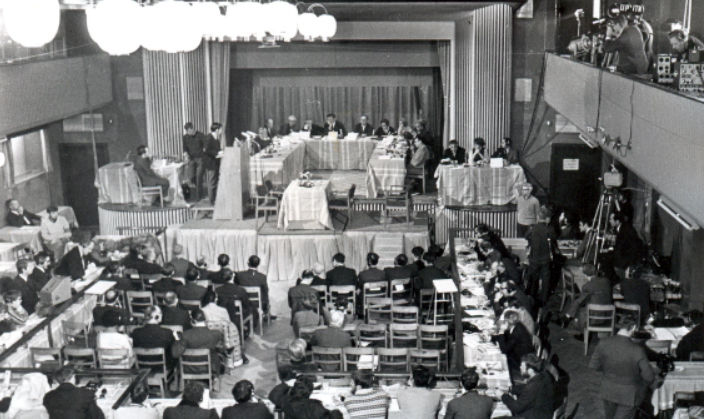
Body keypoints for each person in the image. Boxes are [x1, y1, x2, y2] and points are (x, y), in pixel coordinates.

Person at [588, 315, 655, 419]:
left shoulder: (603, 343)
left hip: (608, 391)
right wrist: (641, 384)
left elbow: (593, 365)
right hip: (629, 396)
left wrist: (608, 369)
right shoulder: (637, 350)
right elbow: (649, 377)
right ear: (633, 327)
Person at [498, 354, 554, 419]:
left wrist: (502, 395)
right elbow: (527, 388)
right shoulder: (543, 375)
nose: (520, 367)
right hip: (542, 413)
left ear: (530, 370)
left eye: (522, 366)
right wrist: (510, 388)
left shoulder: (533, 386)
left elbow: (516, 408)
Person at [562, 264, 613, 332]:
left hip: (594, 318)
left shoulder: (587, 286)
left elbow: (578, 302)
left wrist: (567, 315)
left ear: (585, 275)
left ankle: (583, 333)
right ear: (596, 272)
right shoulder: (607, 281)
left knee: (578, 314)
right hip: (608, 315)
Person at [172, 309, 224, 375]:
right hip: (210, 368)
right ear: (205, 320)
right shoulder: (216, 334)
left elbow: (175, 354)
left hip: (189, 368)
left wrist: (177, 339)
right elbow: (223, 348)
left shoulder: (185, 335)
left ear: (193, 321)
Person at [525, 208, 557, 304]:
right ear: (547, 218)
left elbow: (526, 236)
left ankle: (532, 298)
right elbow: (554, 238)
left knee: (533, 279)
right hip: (545, 259)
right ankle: (544, 300)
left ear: (538, 217)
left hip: (534, 258)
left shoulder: (532, 228)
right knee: (545, 280)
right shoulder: (549, 229)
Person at [131, 305, 178, 370]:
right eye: (161, 313)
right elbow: (174, 352)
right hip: (161, 368)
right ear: (157, 316)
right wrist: (176, 339)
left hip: (142, 367)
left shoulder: (135, 332)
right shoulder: (167, 332)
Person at [236, 255, 274, 321]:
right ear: (258, 264)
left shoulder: (239, 275)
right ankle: (266, 314)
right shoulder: (262, 277)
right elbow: (265, 291)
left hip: (243, 301)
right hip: (258, 303)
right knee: (265, 294)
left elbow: (236, 286)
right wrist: (266, 305)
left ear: (248, 263)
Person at [610, 213, 646, 280]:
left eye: (611, 219)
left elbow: (629, 247)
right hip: (625, 257)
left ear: (617, 221)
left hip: (628, 260)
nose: (609, 221)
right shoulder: (620, 228)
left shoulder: (626, 230)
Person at [183, 122, 206, 201]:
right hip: (191, 159)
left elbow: (205, 146)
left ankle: (199, 196)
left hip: (200, 159)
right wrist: (185, 155)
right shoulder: (185, 137)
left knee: (199, 177)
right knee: (191, 177)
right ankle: (199, 189)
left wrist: (204, 152)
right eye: (187, 131)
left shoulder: (200, 135)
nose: (188, 133)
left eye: (189, 130)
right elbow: (185, 148)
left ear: (193, 128)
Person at [202, 122, 223, 204]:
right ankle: (212, 201)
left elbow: (216, 149)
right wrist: (217, 153)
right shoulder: (209, 137)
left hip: (216, 162)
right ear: (217, 130)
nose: (221, 131)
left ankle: (215, 199)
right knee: (212, 182)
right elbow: (206, 150)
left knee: (215, 181)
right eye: (220, 129)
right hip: (211, 163)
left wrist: (221, 151)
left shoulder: (216, 138)